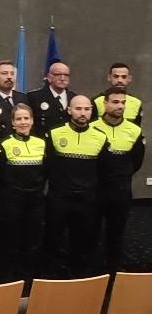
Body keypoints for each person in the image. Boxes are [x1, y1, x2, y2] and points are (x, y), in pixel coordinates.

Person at [45, 95, 108, 278]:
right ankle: (50, 278)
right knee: (53, 240)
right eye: (78, 109)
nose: (83, 113)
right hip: (59, 198)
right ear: (69, 110)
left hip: (87, 200)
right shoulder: (55, 134)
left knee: (82, 242)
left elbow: (104, 170)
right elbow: (47, 166)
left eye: (87, 109)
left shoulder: (100, 137)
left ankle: (79, 278)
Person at [91, 87, 145, 273]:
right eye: (115, 102)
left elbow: (137, 161)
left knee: (116, 233)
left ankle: (113, 271)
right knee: (91, 232)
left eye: (123, 103)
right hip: (95, 190)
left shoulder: (134, 130)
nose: (120, 106)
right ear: (105, 104)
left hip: (121, 191)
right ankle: (91, 272)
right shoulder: (92, 128)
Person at [0, 103, 46, 281]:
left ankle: (29, 280)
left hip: (35, 201)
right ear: (13, 123)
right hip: (11, 202)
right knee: (9, 242)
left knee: (32, 242)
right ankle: (8, 280)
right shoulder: (3, 144)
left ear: (32, 121)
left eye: (26, 118)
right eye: (19, 119)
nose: (23, 122)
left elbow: (46, 172)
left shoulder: (41, 144)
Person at [27, 62, 75, 137]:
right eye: (58, 74)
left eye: (66, 75)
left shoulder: (74, 98)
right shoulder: (34, 97)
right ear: (49, 77)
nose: (62, 78)